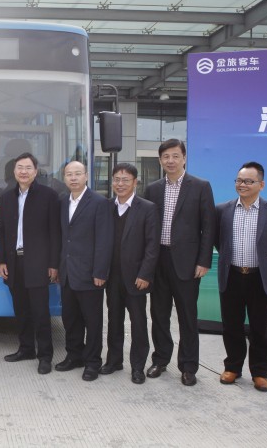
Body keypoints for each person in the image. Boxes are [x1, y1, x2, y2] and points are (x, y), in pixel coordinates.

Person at [144, 139, 215, 386]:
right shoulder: (153, 189)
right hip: (158, 261)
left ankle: (188, 366)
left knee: (187, 316)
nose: (171, 161)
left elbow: (209, 227)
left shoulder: (201, 186)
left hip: (187, 263)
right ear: (160, 160)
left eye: (175, 156)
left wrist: (204, 261)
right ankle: (160, 359)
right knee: (159, 315)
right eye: (166, 157)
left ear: (184, 158)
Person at [215, 161, 267, 392]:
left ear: (261, 184)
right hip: (232, 275)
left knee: (260, 328)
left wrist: (266, 264)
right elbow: (218, 241)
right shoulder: (223, 210)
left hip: (260, 278)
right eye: (239, 180)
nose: (243, 185)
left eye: (249, 181)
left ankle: (260, 372)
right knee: (231, 326)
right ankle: (233, 367)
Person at [0, 153, 60, 375]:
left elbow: (55, 232)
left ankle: (45, 356)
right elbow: (1, 232)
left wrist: (53, 264)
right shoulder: (6, 198)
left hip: (38, 263)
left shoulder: (49, 196)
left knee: (40, 312)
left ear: (36, 171)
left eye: (28, 167)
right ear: (14, 171)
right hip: (14, 262)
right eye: (20, 167)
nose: (23, 171)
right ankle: (26, 349)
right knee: (21, 310)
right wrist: (1, 260)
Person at [55, 160, 112, 381]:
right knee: (70, 319)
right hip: (67, 272)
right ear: (64, 178)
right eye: (69, 174)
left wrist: (100, 272)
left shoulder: (99, 202)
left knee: (92, 321)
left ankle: (92, 362)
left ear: (86, 176)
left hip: (90, 274)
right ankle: (74, 355)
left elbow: (104, 241)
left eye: (78, 173)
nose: (73, 178)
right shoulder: (62, 202)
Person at [103, 163, 159, 384]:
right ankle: (114, 361)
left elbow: (152, 246)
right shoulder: (107, 206)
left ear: (135, 182)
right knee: (113, 320)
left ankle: (138, 367)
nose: (120, 184)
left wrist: (145, 274)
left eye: (125, 180)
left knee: (138, 323)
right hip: (112, 276)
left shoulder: (147, 208)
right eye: (117, 179)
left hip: (136, 278)